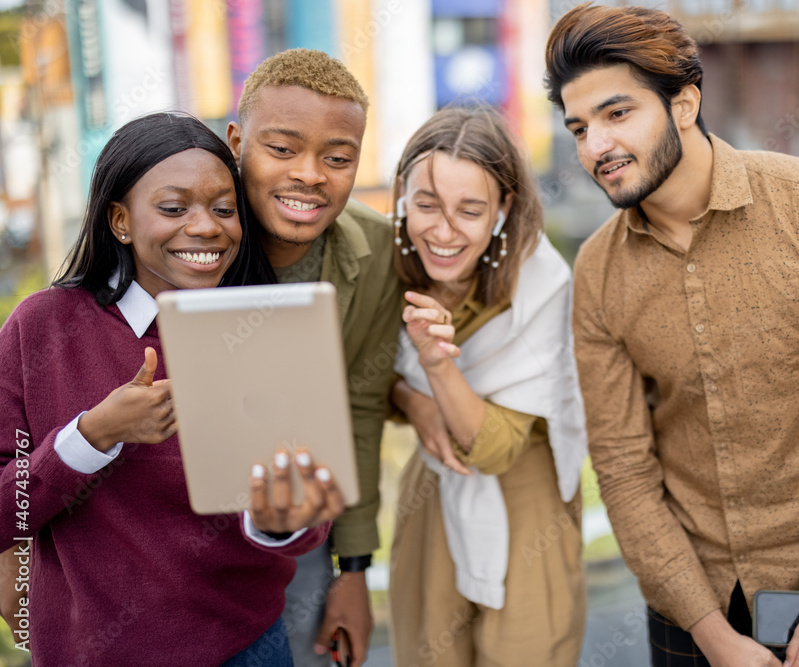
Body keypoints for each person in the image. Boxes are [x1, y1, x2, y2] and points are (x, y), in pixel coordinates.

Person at [544, 5, 799, 667]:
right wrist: (711, 633)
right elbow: (625, 471)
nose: (594, 148)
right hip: (688, 607)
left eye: (617, 114)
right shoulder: (599, 269)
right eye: (578, 127)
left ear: (684, 104)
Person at [0, 112, 345, 666]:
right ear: (120, 221)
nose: (207, 227)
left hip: (245, 649)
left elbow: (310, 514)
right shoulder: (41, 328)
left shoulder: (265, 328)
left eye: (224, 209)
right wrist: (93, 435)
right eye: (173, 208)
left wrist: (279, 520)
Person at [386, 106, 589, 666]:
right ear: (403, 194)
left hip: (528, 511)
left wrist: (438, 366)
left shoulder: (542, 285)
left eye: (469, 211)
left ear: (503, 210)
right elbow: (363, 374)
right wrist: (414, 403)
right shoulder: (388, 261)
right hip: (432, 497)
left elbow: (496, 449)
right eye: (426, 205)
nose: (443, 232)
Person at [226, 49, 402, 666]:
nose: (310, 175)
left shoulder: (376, 251)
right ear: (236, 142)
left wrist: (352, 569)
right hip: (160, 529)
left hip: (297, 533)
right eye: (281, 149)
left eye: (337, 158)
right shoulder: (180, 229)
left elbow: (356, 410)